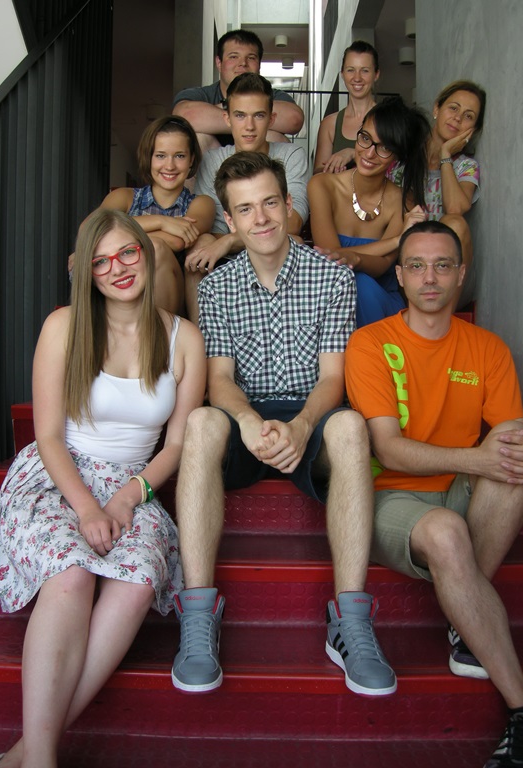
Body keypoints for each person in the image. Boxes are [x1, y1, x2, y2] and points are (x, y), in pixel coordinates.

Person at [0, 209, 206, 768]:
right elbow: (49, 436)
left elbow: (177, 445)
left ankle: (25, 755)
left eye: (127, 253)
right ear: (88, 274)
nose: (118, 269)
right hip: (58, 475)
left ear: (146, 253)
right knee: (71, 574)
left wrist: (126, 498)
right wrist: (86, 508)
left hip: (134, 484)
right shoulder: (64, 325)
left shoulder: (184, 338)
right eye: (101, 262)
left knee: (138, 580)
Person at [171, 151, 396, 699]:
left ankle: (350, 622)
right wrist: (248, 421)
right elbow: (219, 378)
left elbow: (333, 378)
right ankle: (197, 616)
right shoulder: (216, 287)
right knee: (201, 421)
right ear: (230, 220)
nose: (262, 218)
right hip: (246, 418)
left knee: (350, 428)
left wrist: (300, 425)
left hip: (309, 414)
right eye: (246, 209)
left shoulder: (332, 278)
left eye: (270, 202)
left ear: (289, 202)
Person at [345, 220, 523, 768]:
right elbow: (391, 449)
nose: (429, 277)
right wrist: (481, 458)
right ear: (400, 276)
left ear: (460, 275)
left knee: (516, 462)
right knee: (449, 531)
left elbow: (510, 441)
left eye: (442, 266)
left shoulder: (488, 348)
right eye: (417, 266)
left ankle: (465, 615)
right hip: (390, 499)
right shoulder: (371, 344)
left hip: (457, 490)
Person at [184, 72, 310, 320]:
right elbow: (212, 228)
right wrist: (225, 242)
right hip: (224, 254)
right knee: (200, 246)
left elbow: (292, 221)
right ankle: (201, 337)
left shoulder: (292, 155)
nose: (249, 126)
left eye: (259, 116)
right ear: (227, 118)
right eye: (240, 115)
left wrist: (230, 240)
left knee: (296, 242)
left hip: (271, 246)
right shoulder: (212, 160)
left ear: (271, 119)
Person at [308, 96, 429, 327]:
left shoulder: (403, 200)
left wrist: (355, 258)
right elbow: (331, 257)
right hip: (334, 295)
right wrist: (397, 240)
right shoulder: (322, 185)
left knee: (361, 283)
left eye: (384, 147)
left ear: (398, 155)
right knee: (352, 283)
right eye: (365, 138)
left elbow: (383, 265)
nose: (369, 153)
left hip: (380, 297)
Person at [99, 115, 215, 319]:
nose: (169, 166)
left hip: (174, 300)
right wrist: (162, 222)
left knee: (159, 248)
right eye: (161, 156)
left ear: (191, 160)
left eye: (179, 156)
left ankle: (165, 334)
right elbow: (90, 228)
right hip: (122, 293)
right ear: (149, 157)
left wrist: (120, 236)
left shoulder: (201, 203)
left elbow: (177, 241)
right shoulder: (124, 197)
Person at [388, 80, 486, 276]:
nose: (457, 118)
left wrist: (445, 155)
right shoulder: (403, 158)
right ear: (436, 109)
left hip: (446, 271)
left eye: (468, 116)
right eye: (453, 108)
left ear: (473, 129)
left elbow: (455, 209)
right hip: (405, 262)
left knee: (456, 223)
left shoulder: (466, 166)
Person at [172, 28, 304, 151]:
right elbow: (185, 116)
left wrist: (218, 116)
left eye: (251, 58)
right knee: (199, 138)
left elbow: (293, 119)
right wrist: (252, 118)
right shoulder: (200, 95)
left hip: (260, 166)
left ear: (259, 65)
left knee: (274, 138)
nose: (243, 63)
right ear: (219, 62)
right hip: (213, 164)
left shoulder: (274, 95)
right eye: (233, 57)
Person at [313, 40, 380, 174]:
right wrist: (332, 170)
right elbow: (318, 175)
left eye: (365, 71)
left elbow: (397, 164)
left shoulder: (389, 119)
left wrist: (353, 154)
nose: (357, 78)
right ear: (342, 74)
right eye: (350, 70)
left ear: (376, 74)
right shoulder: (330, 124)